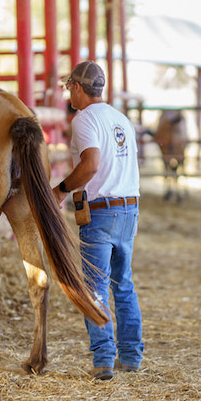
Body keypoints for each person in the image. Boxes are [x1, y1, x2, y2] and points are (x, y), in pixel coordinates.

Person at [53, 61, 144, 381]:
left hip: (101, 210)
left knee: (94, 288)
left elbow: (91, 164)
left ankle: (104, 358)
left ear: (78, 87)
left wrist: (61, 189)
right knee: (124, 285)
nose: (69, 95)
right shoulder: (121, 119)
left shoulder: (84, 119)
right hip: (129, 207)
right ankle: (131, 356)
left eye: (70, 88)